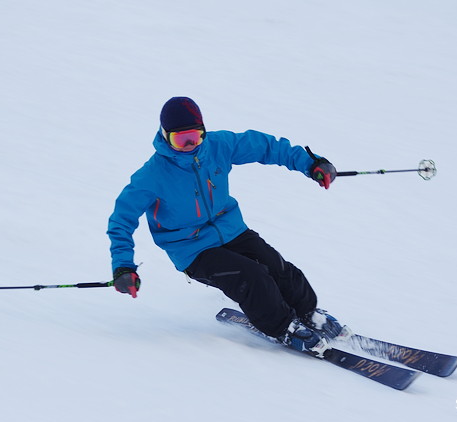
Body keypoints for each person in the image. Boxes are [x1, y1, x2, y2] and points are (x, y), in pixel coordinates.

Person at [107, 97, 341, 357]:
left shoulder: (218, 146)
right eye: (179, 140)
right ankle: (284, 327)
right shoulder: (151, 176)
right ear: (165, 137)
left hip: (231, 229)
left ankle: (307, 313)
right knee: (251, 277)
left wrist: (311, 163)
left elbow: (265, 146)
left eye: (194, 137)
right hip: (192, 249)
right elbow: (121, 220)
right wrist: (123, 266)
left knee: (276, 265)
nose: (188, 146)